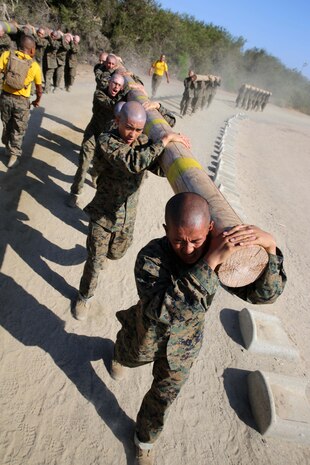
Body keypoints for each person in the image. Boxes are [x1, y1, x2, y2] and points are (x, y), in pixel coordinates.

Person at [111, 192, 286, 465]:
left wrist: (271, 249)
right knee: (126, 355)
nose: (188, 249)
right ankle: (118, 356)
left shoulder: (216, 253)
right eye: (178, 240)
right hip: (145, 335)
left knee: (164, 396)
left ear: (210, 229)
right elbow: (162, 311)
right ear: (166, 230)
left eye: (196, 240)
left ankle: (144, 440)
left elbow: (263, 295)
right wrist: (208, 264)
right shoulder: (151, 257)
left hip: (184, 347)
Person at [71, 101, 190, 321]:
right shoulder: (108, 141)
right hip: (103, 215)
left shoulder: (142, 141)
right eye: (128, 127)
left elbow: (159, 167)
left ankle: (105, 253)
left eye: (137, 129)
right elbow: (133, 162)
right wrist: (163, 141)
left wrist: (159, 109)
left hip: (127, 217)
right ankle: (84, 296)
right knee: (94, 262)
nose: (132, 134)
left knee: (117, 253)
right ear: (117, 121)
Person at [67, 72, 128, 207]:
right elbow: (112, 104)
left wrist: (132, 82)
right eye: (114, 83)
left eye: (119, 85)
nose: (116, 87)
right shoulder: (100, 94)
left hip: (106, 138)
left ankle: (94, 174)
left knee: (100, 165)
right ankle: (75, 193)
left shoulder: (122, 96)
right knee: (84, 163)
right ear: (109, 83)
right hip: (93, 133)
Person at [0, 34, 42, 168]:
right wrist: (37, 100)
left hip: (5, 97)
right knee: (19, 129)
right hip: (21, 101)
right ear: (31, 49)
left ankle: (7, 147)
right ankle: (13, 156)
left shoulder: (6, 55)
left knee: (7, 124)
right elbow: (39, 88)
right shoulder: (34, 66)